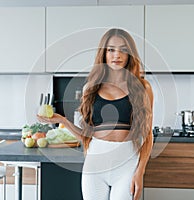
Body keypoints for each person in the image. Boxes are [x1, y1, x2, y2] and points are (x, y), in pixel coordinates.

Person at [38, 28, 153, 200]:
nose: (117, 55)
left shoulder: (142, 88)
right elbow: (86, 136)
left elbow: (148, 135)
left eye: (123, 50)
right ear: (103, 54)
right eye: (111, 50)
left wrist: (140, 172)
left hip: (127, 163)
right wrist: (62, 120)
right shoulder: (90, 89)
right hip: (95, 165)